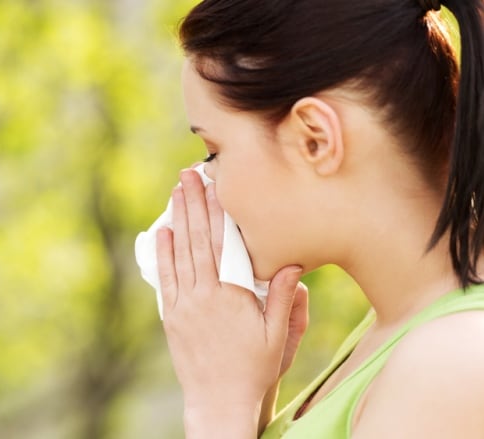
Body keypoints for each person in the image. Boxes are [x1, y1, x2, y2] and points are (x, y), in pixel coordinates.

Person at [154, 0, 484, 437]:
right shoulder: (394, 330)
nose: (203, 180)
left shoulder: (451, 363)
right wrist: (250, 397)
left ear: (315, 139)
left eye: (214, 152)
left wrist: (219, 408)